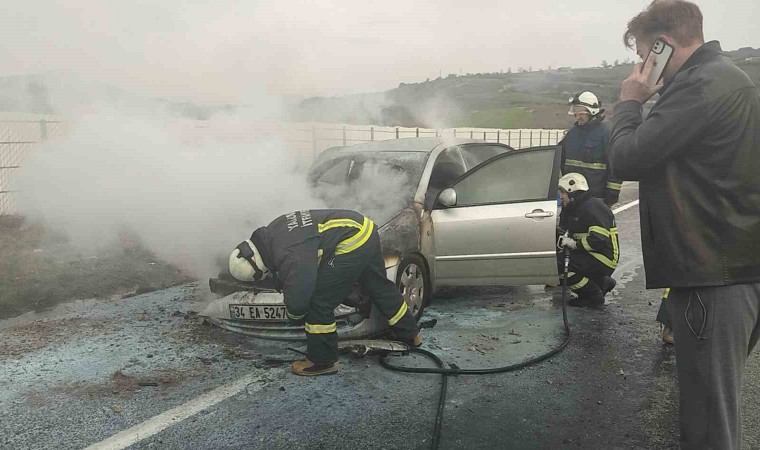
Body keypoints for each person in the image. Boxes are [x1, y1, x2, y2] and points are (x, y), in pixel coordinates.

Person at [608, 1, 760, 447]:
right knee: (713, 409)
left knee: (709, 425)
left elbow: (625, 158)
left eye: (643, 55)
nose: (640, 67)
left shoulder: (700, 85)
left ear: (662, 44)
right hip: (733, 265)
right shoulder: (728, 79)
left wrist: (631, 103)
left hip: (713, 273)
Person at [228, 209, 421, 376]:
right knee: (378, 285)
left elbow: (301, 296)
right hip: (364, 228)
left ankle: (322, 362)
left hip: (351, 241)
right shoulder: (272, 232)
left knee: (318, 301)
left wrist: (294, 315)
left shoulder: (290, 254)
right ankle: (410, 333)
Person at [557, 173, 619, 308]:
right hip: (591, 253)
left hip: (604, 257)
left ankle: (593, 296)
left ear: (572, 192)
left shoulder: (593, 207)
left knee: (560, 266)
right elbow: (563, 228)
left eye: (562, 192)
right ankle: (602, 283)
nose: (560, 196)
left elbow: (599, 240)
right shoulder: (572, 207)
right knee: (559, 259)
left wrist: (574, 244)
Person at [561, 91, 622, 207]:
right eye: (575, 113)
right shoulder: (571, 134)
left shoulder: (606, 134)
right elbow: (559, 160)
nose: (577, 117)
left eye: (581, 114)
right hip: (572, 196)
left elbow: (615, 168)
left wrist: (611, 197)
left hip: (595, 198)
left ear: (591, 112)